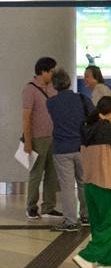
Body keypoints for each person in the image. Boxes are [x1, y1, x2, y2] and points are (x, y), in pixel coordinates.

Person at [70, 97, 111, 268]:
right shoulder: (107, 128)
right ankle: (87, 256)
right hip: (105, 182)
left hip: (89, 183)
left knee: (99, 225)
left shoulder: (86, 126)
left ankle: (109, 262)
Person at [46, 69, 93, 232]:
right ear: (69, 82)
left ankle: (71, 221)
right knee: (84, 183)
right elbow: (93, 117)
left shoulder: (51, 102)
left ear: (54, 85)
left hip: (61, 148)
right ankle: (87, 216)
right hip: (82, 147)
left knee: (67, 186)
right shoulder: (83, 99)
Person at [21, 56, 60, 221]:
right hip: (38, 139)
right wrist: (28, 141)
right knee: (36, 173)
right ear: (43, 71)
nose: (53, 74)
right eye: (51, 71)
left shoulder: (53, 87)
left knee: (52, 173)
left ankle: (48, 207)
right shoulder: (30, 89)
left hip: (54, 137)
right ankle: (31, 207)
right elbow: (26, 117)